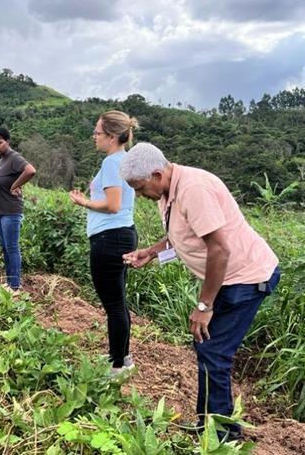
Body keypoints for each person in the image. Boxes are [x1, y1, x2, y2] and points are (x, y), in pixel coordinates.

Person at [120, 143, 280, 440]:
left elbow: (219, 249)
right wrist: (152, 252)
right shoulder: (166, 191)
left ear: (156, 174)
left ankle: (223, 437)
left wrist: (204, 306)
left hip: (245, 277)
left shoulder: (194, 189)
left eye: (141, 187)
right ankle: (207, 423)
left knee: (214, 351)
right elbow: (181, 237)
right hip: (227, 278)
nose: (141, 195)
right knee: (206, 347)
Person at [69, 110, 138, 376]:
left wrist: (83, 201)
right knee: (118, 301)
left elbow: (112, 205)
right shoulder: (124, 160)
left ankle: (117, 365)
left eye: (97, 132)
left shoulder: (112, 163)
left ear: (111, 136)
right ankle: (122, 356)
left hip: (109, 238)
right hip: (122, 234)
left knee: (114, 305)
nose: (94, 136)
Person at [0, 128, 36, 293]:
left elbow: (30, 170)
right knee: (4, 247)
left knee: (12, 247)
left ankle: (15, 286)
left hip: (11, 210)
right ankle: (10, 281)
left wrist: (15, 185)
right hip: (0, 210)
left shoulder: (14, 157)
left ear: (7, 142)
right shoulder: (1, 161)